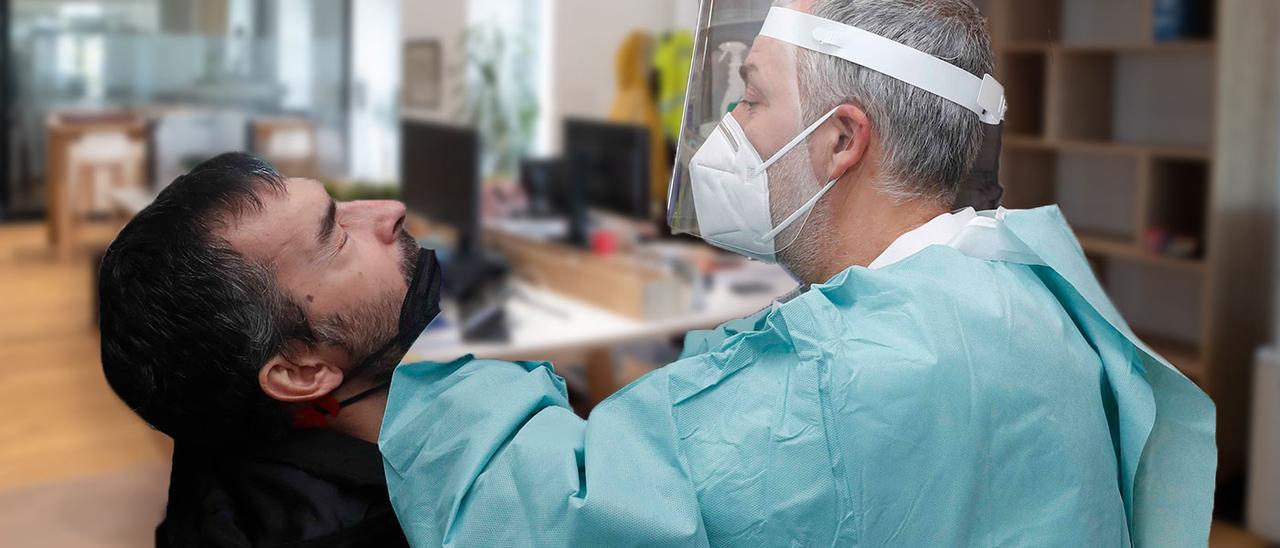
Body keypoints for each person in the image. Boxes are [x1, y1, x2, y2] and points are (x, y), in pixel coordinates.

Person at [378, 0, 1216, 546]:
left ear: (840, 140)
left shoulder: (833, 375)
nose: (728, 132)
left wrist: (431, 346)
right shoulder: (1019, 290)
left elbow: (546, 518)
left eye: (750, 99)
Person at [98, 153, 441, 547]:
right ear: (300, 372)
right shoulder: (421, 526)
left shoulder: (224, 429)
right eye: (337, 236)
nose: (391, 209)